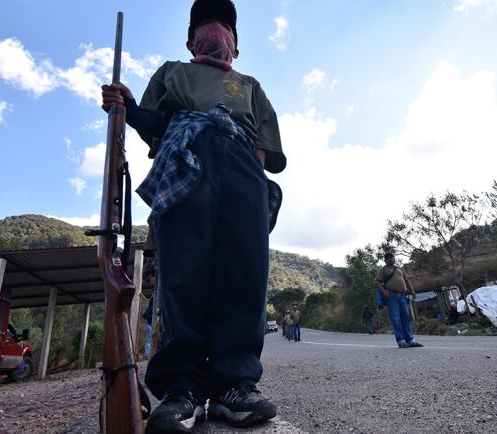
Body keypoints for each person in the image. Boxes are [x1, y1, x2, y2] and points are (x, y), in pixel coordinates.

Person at [101, 1, 286, 431]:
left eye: (223, 28)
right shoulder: (172, 72)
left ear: (235, 47)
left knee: (244, 269)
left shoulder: (250, 86)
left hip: (240, 163)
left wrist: (249, 184)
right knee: (184, 270)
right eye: (205, 26)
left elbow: (267, 152)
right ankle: (182, 387)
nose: (215, 33)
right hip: (185, 154)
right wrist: (124, 105)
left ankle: (234, 385)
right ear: (190, 41)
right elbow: (154, 122)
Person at [375, 252, 423, 348]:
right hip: (392, 296)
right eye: (388, 258)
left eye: (392, 257)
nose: (390, 259)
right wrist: (384, 292)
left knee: (406, 318)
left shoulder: (399, 269)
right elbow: (377, 282)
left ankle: (410, 340)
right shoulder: (383, 270)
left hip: (403, 296)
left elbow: (406, 280)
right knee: (396, 319)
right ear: (385, 260)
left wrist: (412, 291)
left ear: (394, 258)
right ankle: (401, 341)